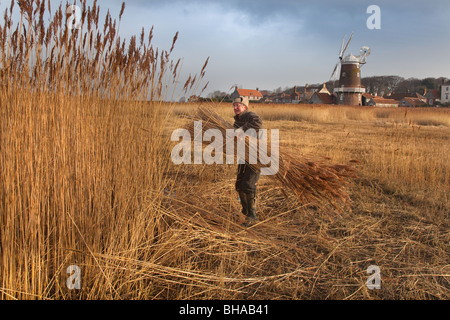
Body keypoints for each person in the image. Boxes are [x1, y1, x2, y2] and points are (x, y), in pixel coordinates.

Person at [232, 97, 263, 226]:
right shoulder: (237, 121)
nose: (235, 108)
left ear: (245, 107)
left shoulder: (250, 116)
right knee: (239, 185)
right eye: (234, 105)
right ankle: (245, 211)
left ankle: (252, 216)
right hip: (243, 156)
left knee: (248, 185)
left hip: (255, 156)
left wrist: (241, 130)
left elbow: (258, 123)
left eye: (238, 105)